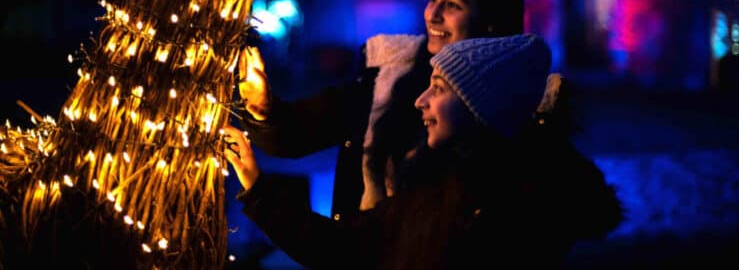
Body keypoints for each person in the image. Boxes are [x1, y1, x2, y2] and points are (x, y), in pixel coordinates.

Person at [224, 34, 623, 269]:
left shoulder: (525, 211)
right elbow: (347, 246)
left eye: (440, 88)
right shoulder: (430, 185)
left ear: (480, 106)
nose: (420, 101)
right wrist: (259, 189)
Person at [236, 0, 532, 217]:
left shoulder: (518, 109)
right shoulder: (388, 74)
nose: (433, 14)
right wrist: (264, 109)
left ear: (491, 21)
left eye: (452, 5)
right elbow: (296, 132)